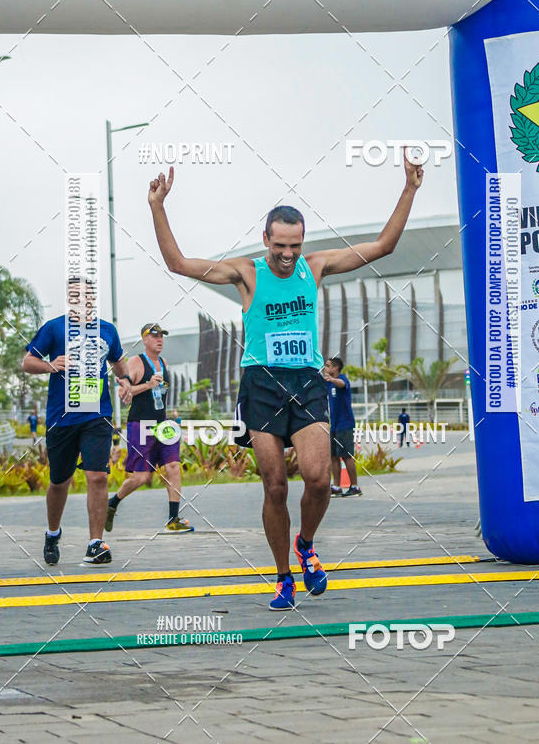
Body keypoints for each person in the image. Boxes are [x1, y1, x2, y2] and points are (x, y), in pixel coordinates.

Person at [147, 151, 423, 609]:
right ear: (266, 239)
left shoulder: (314, 267)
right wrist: (158, 206)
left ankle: (307, 544)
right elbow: (178, 263)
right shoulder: (245, 272)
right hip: (262, 384)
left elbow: (383, 247)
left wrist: (409, 189)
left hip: (307, 383)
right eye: (280, 246)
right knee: (275, 484)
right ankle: (282, 577)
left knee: (317, 479)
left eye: (295, 245)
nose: (288, 255)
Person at [22, 278, 132, 566]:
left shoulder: (107, 330)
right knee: (60, 481)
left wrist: (126, 383)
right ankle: (52, 532)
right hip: (62, 417)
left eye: (87, 295)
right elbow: (27, 362)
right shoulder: (54, 328)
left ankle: (95, 543)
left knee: (98, 475)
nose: (83, 299)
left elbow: (120, 365)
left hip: (97, 415)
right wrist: (50, 364)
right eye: (76, 295)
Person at [105, 323, 193, 534]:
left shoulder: (163, 362)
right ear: (144, 340)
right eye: (154, 336)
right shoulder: (136, 362)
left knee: (173, 467)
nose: (159, 339)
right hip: (140, 424)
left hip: (162, 424)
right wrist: (147, 385)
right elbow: (125, 391)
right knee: (141, 478)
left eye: (162, 336)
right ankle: (113, 502)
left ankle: (173, 518)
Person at [322, 357, 361, 497]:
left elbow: (341, 384)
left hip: (345, 424)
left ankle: (355, 487)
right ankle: (337, 487)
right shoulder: (327, 384)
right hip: (334, 425)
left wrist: (332, 380)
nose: (325, 368)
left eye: (328, 366)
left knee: (346, 456)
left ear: (336, 368)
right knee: (333, 456)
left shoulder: (342, 380)